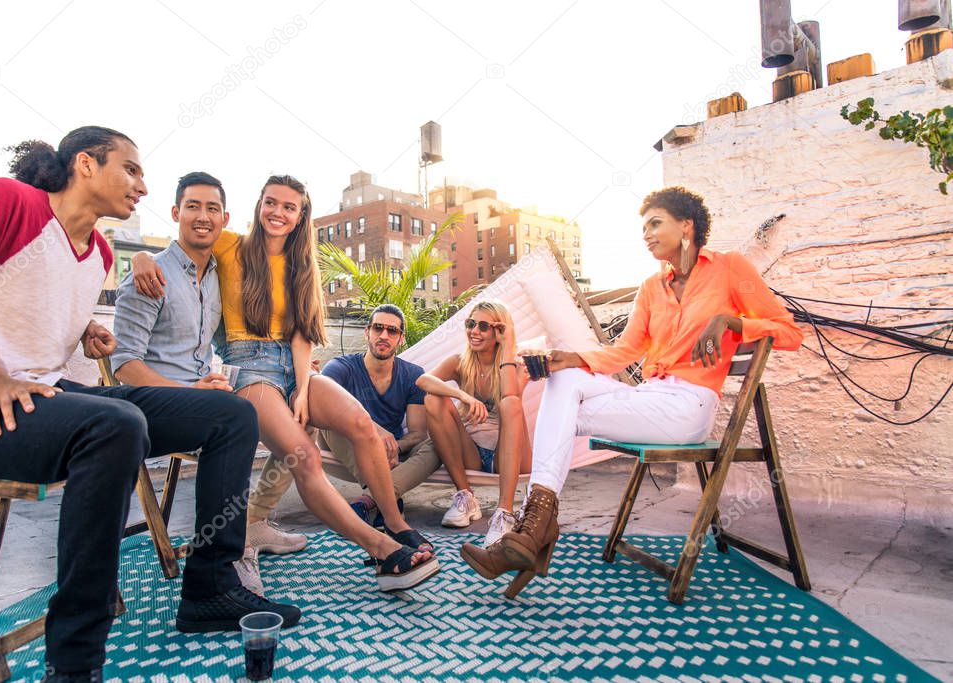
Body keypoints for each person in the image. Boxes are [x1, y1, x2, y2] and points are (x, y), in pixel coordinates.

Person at [0, 128, 299, 683]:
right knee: (116, 423)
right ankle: (75, 659)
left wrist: (83, 329)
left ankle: (211, 587)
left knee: (230, 412)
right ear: (85, 164)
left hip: (49, 398)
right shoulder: (7, 202)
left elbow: (18, 301)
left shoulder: (98, 251)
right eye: (130, 169)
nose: (142, 186)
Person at [461, 186, 804, 588]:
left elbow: (789, 332)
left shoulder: (729, 268)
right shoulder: (651, 288)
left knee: (561, 410)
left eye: (655, 223)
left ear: (686, 225)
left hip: (687, 407)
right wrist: (570, 358)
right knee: (564, 379)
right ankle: (535, 524)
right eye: (643, 227)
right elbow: (624, 352)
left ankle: (533, 529)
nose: (646, 234)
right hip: (647, 397)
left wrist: (731, 322)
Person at [130, 174, 439, 592]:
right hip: (248, 367)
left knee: (363, 425)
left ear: (300, 216)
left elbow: (301, 334)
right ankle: (381, 551)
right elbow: (186, 247)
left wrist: (303, 388)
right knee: (304, 456)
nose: (278, 212)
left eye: (289, 207)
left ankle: (396, 525)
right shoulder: (231, 245)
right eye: (271, 203)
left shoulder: (302, 266)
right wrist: (140, 259)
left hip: (292, 366)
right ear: (259, 206)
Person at [111, 171, 307, 597]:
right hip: (151, 403)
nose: (203, 216)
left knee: (293, 412)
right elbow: (124, 364)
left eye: (212, 208)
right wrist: (143, 257)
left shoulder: (216, 275)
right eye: (193, 206)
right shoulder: (151, 276)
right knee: (238, 417)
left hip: (205, 393)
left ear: (224, 219)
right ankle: (229, 560)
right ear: (175, 212)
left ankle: (250, 527)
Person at [417, 300, 532, 547]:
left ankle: (504, 513)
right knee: (433, 399)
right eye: (471, 324)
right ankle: (466, 497)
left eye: (483, 326)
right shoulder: (460, 362)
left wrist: (508, 347)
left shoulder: (517, 363)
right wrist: (462, 396)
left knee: (510, 403)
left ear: (499, 331)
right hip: (472, 451)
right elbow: (423, 381)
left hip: (510, 454)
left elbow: (512, 395)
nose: (474, 331)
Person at [318, 304, 441, 524]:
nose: (384, 335)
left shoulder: (413, 375)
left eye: (392, 331)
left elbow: (417, 434)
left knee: (435, 445)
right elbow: (319, 402)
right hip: (345, 444)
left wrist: (393, 445)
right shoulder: (342, 367)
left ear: (401, 338)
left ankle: (368, 501)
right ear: (368, 332)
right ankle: (391, 502)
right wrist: (374, 435)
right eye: (378, 328)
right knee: (328, 419)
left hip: (390, 455)